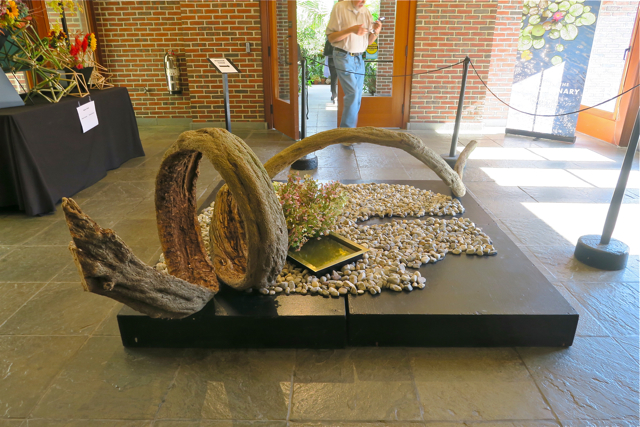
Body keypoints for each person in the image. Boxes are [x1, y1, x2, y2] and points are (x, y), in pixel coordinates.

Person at [325, 0, 382, 135]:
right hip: (343, 56)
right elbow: (331, 38)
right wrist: (351, 30)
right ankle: (346, 135)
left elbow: (368, 42)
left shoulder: (366, 12)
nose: (363, 1)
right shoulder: (339, 8)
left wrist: (376, 32)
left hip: (359, 58)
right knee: (353, 94)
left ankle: (349, 133)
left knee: (357, 98)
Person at [323, 38, 338, 104]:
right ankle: (340, 95)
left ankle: (334, 95)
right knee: (343, 78)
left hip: (331, 59)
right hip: (341, 59)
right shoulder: (341, 39)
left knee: (333, 78)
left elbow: (325, 52)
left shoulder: (329, 40)